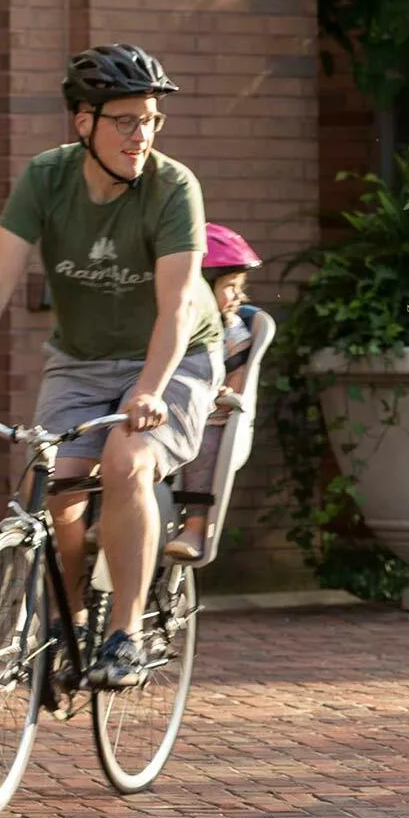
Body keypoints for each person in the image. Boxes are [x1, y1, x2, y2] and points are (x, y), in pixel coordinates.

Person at [0, 45, 223, 691]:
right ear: (83, 123)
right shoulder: (46, 179)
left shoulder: (173, 188)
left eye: (150, 119)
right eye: (125, 120)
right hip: (82, 359)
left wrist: (150, 389)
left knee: (126, 461)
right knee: (57, 484)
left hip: (174, 356)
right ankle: (62, 622)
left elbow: (176, 306)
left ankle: (123, 632)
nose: (141, 134)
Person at [164, 223, 264, 565]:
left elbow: (238, 371)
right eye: (229, 287)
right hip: (166, 412)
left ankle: (194, 525)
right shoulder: (167, 321)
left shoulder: (232, 330)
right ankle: (107, 519)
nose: (238, 296)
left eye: (240, 287)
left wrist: (226, 389)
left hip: (208, 418)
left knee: (203, 450)